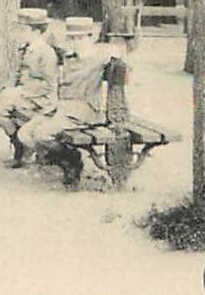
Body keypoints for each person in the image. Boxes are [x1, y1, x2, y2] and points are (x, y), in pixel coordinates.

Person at [18, 16, 128, 183]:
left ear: (90, 37)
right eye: (72, 38)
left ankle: (71, 161)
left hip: (85, 110)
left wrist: (115, 52)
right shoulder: (69, 56)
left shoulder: (100, 56)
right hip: (63, 108)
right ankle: (66, 157)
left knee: (41, 134)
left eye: (80, 38)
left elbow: (121, 55)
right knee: (24, 134)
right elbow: (49, 40)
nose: (76, 42)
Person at [0, 9, 58, 166]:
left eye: (24, 30)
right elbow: (16, 74)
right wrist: (8, 89)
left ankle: (22, 148)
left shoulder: (46, 52)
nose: (20, 33)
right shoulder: (25, 49)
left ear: (36, 31)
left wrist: (19, 93)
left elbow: (50, 84)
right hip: (21, 96)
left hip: (38, 99)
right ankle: (17, 140)